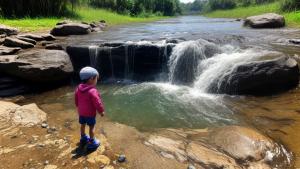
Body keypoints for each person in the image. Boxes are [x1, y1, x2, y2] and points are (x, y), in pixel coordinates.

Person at [75, 66, 105, 150]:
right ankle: (92, 143)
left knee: (82, 125)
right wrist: (101, 111)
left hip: (81, 112)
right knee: (92, 127)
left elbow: (76, 99)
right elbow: (97, 102)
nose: (96, 81)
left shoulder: (78, 88)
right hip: (90, 114)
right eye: (96, 79)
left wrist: (78, 106)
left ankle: (83, 137)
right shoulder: (92, 91)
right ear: (91, 79)